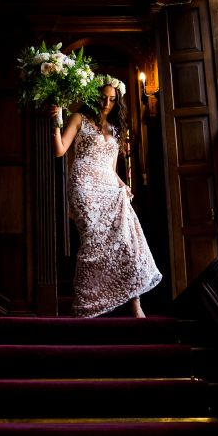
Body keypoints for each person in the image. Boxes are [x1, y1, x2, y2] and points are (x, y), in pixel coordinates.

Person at [49, 76, 162, 318]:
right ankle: (86, 302)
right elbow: (60, 150)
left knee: (127, 239)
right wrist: (56, 121)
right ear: (94, 95)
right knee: (92, 238)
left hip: (109, 186)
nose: (106, 103)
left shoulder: (116, 128)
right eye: (103, 98)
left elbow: (111, 168)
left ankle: (135, 302)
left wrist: (124, 185)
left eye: (112, 99)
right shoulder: (80, 118)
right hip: (83, 184)